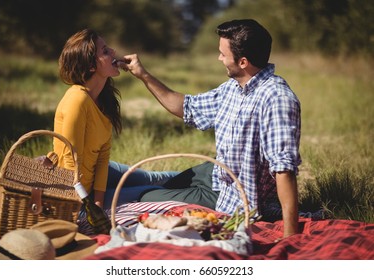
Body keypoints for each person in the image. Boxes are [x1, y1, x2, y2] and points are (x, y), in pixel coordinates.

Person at [124, 19, 301, 238]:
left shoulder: (276, 99)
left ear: (243, 61)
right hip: (214, 173)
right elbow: (187, 107)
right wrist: (143, 75)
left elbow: (284, 169)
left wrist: (290, 237)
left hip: (229, 197)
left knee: (140, 197)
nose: (219, 58)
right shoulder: (234, 88)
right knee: (130, 177)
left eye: (223, 54)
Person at [51, 29, 178, 210]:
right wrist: (92, 205)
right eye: (105, 51)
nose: (113, 52)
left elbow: (103, 157)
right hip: (77, 193)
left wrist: (100, 200)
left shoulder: (104, 99)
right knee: (153, 190)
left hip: (99, 173)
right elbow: (72, 162)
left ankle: (213, 176)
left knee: (158, 178)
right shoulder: (76, 100)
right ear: (91, 66)